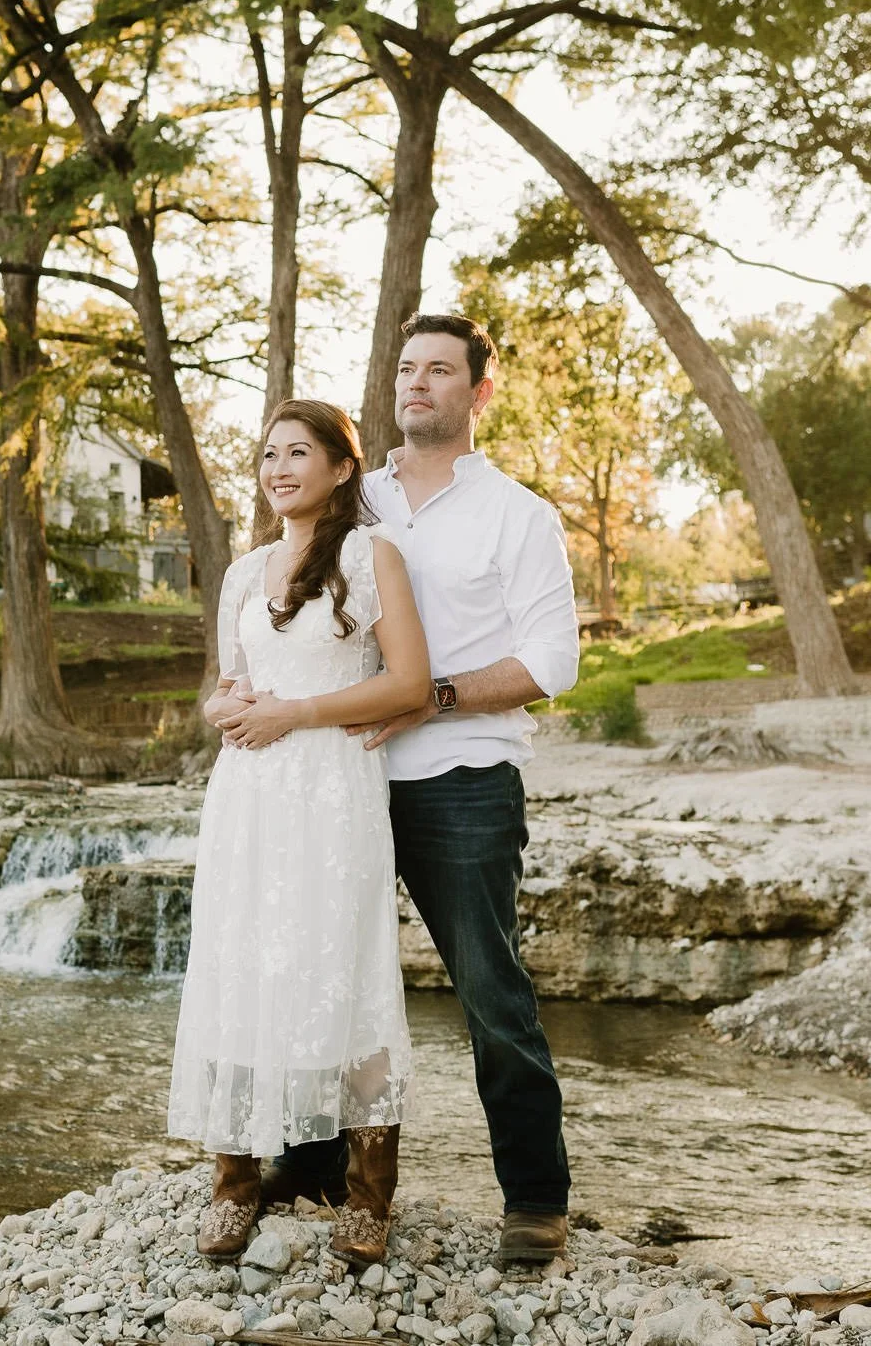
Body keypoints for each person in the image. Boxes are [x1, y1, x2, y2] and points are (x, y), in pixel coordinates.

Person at [258, 314, 582, 1269]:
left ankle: (534, 1197)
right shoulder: (351, 504)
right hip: (338, 779)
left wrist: (430, 698)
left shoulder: (520, 516)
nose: (418, 383)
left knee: (491, 989)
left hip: (462, 780)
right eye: (406, 368)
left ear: (479, 392)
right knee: (328, 972)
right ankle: (315, 1163)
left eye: (441, 370)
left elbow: (552, 660)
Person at [167, 398, 432, 1268]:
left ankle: (367, 1197)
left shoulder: (369, 554)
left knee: (345, 969)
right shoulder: (245, 574)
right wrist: (226, 706)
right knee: (242, 966)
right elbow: (227, 685)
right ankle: (235, 1181)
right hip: (248, 798)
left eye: (299, 453)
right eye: (269, 454)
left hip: (331, 790)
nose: (280, 468)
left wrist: (295, 713)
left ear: (342, 467)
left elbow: (411, 684)